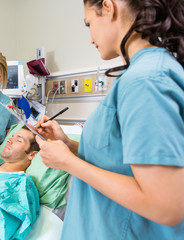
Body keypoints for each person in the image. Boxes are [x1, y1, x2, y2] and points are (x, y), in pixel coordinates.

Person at [35, 0, 184, 239]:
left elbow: (165, 205)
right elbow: (119, 158)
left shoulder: (145, 80)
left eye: (88, 24)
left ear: (108, 7)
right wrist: (69, 146)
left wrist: (68, 163)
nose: (90, 38)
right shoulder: (142, 74)